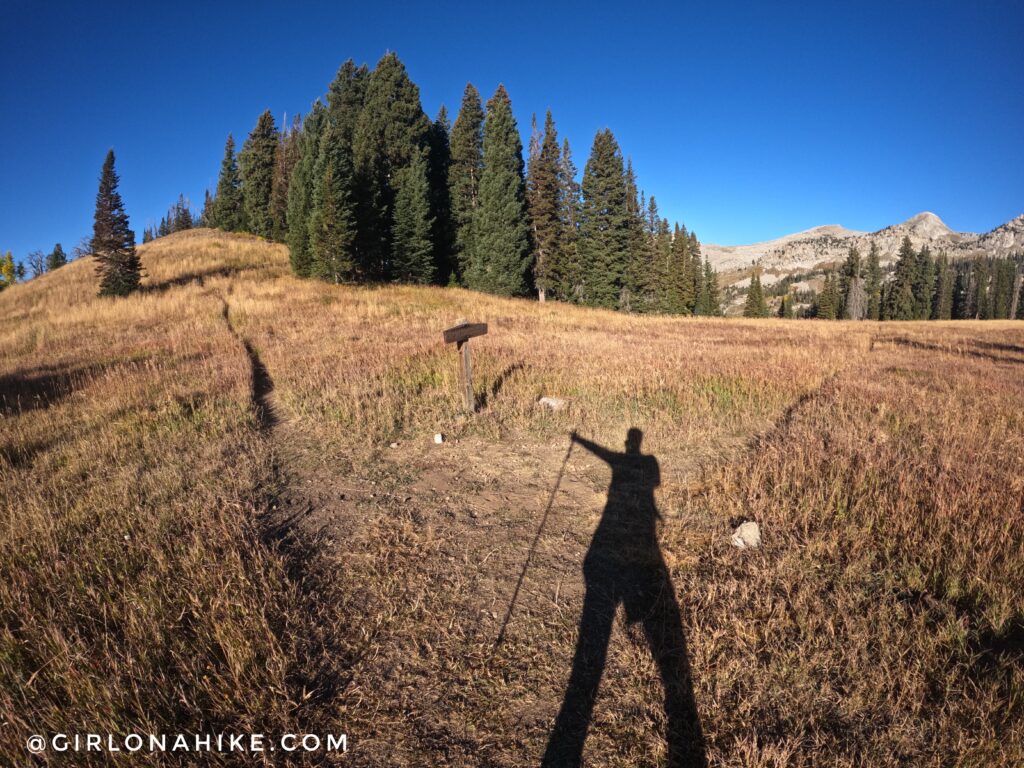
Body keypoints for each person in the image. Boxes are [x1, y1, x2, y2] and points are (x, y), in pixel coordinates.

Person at [542, 428, 706, 768]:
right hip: (630, 540)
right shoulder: (642, 461)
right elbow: (604, 454)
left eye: (632, 441)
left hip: (624, 539)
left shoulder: (643, 460)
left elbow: (609, 456)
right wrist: (580, 441)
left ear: (634, 442)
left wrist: (579, 442)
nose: (632, 445)